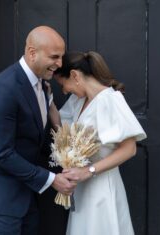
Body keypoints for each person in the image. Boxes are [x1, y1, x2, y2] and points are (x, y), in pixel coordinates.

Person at [0, 26, 77, 235]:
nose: (60, 64)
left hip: (27, 190)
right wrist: (52, 180)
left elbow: (35, 137)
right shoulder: (5, 89)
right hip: (1, 194)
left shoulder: (43, 85)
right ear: (32, 52)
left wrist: (64, 161)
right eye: (54, 57)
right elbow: (3, 154)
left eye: (61, 57)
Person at [54, 51, 147, 235]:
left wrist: (88, 171)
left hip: (102, 187)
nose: (63, 91)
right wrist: (45, 100)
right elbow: (62, 131)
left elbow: (129, 149)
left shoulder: (110, 100)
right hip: (82, 188)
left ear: (75, 75)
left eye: (62, 84)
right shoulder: (78, 101)